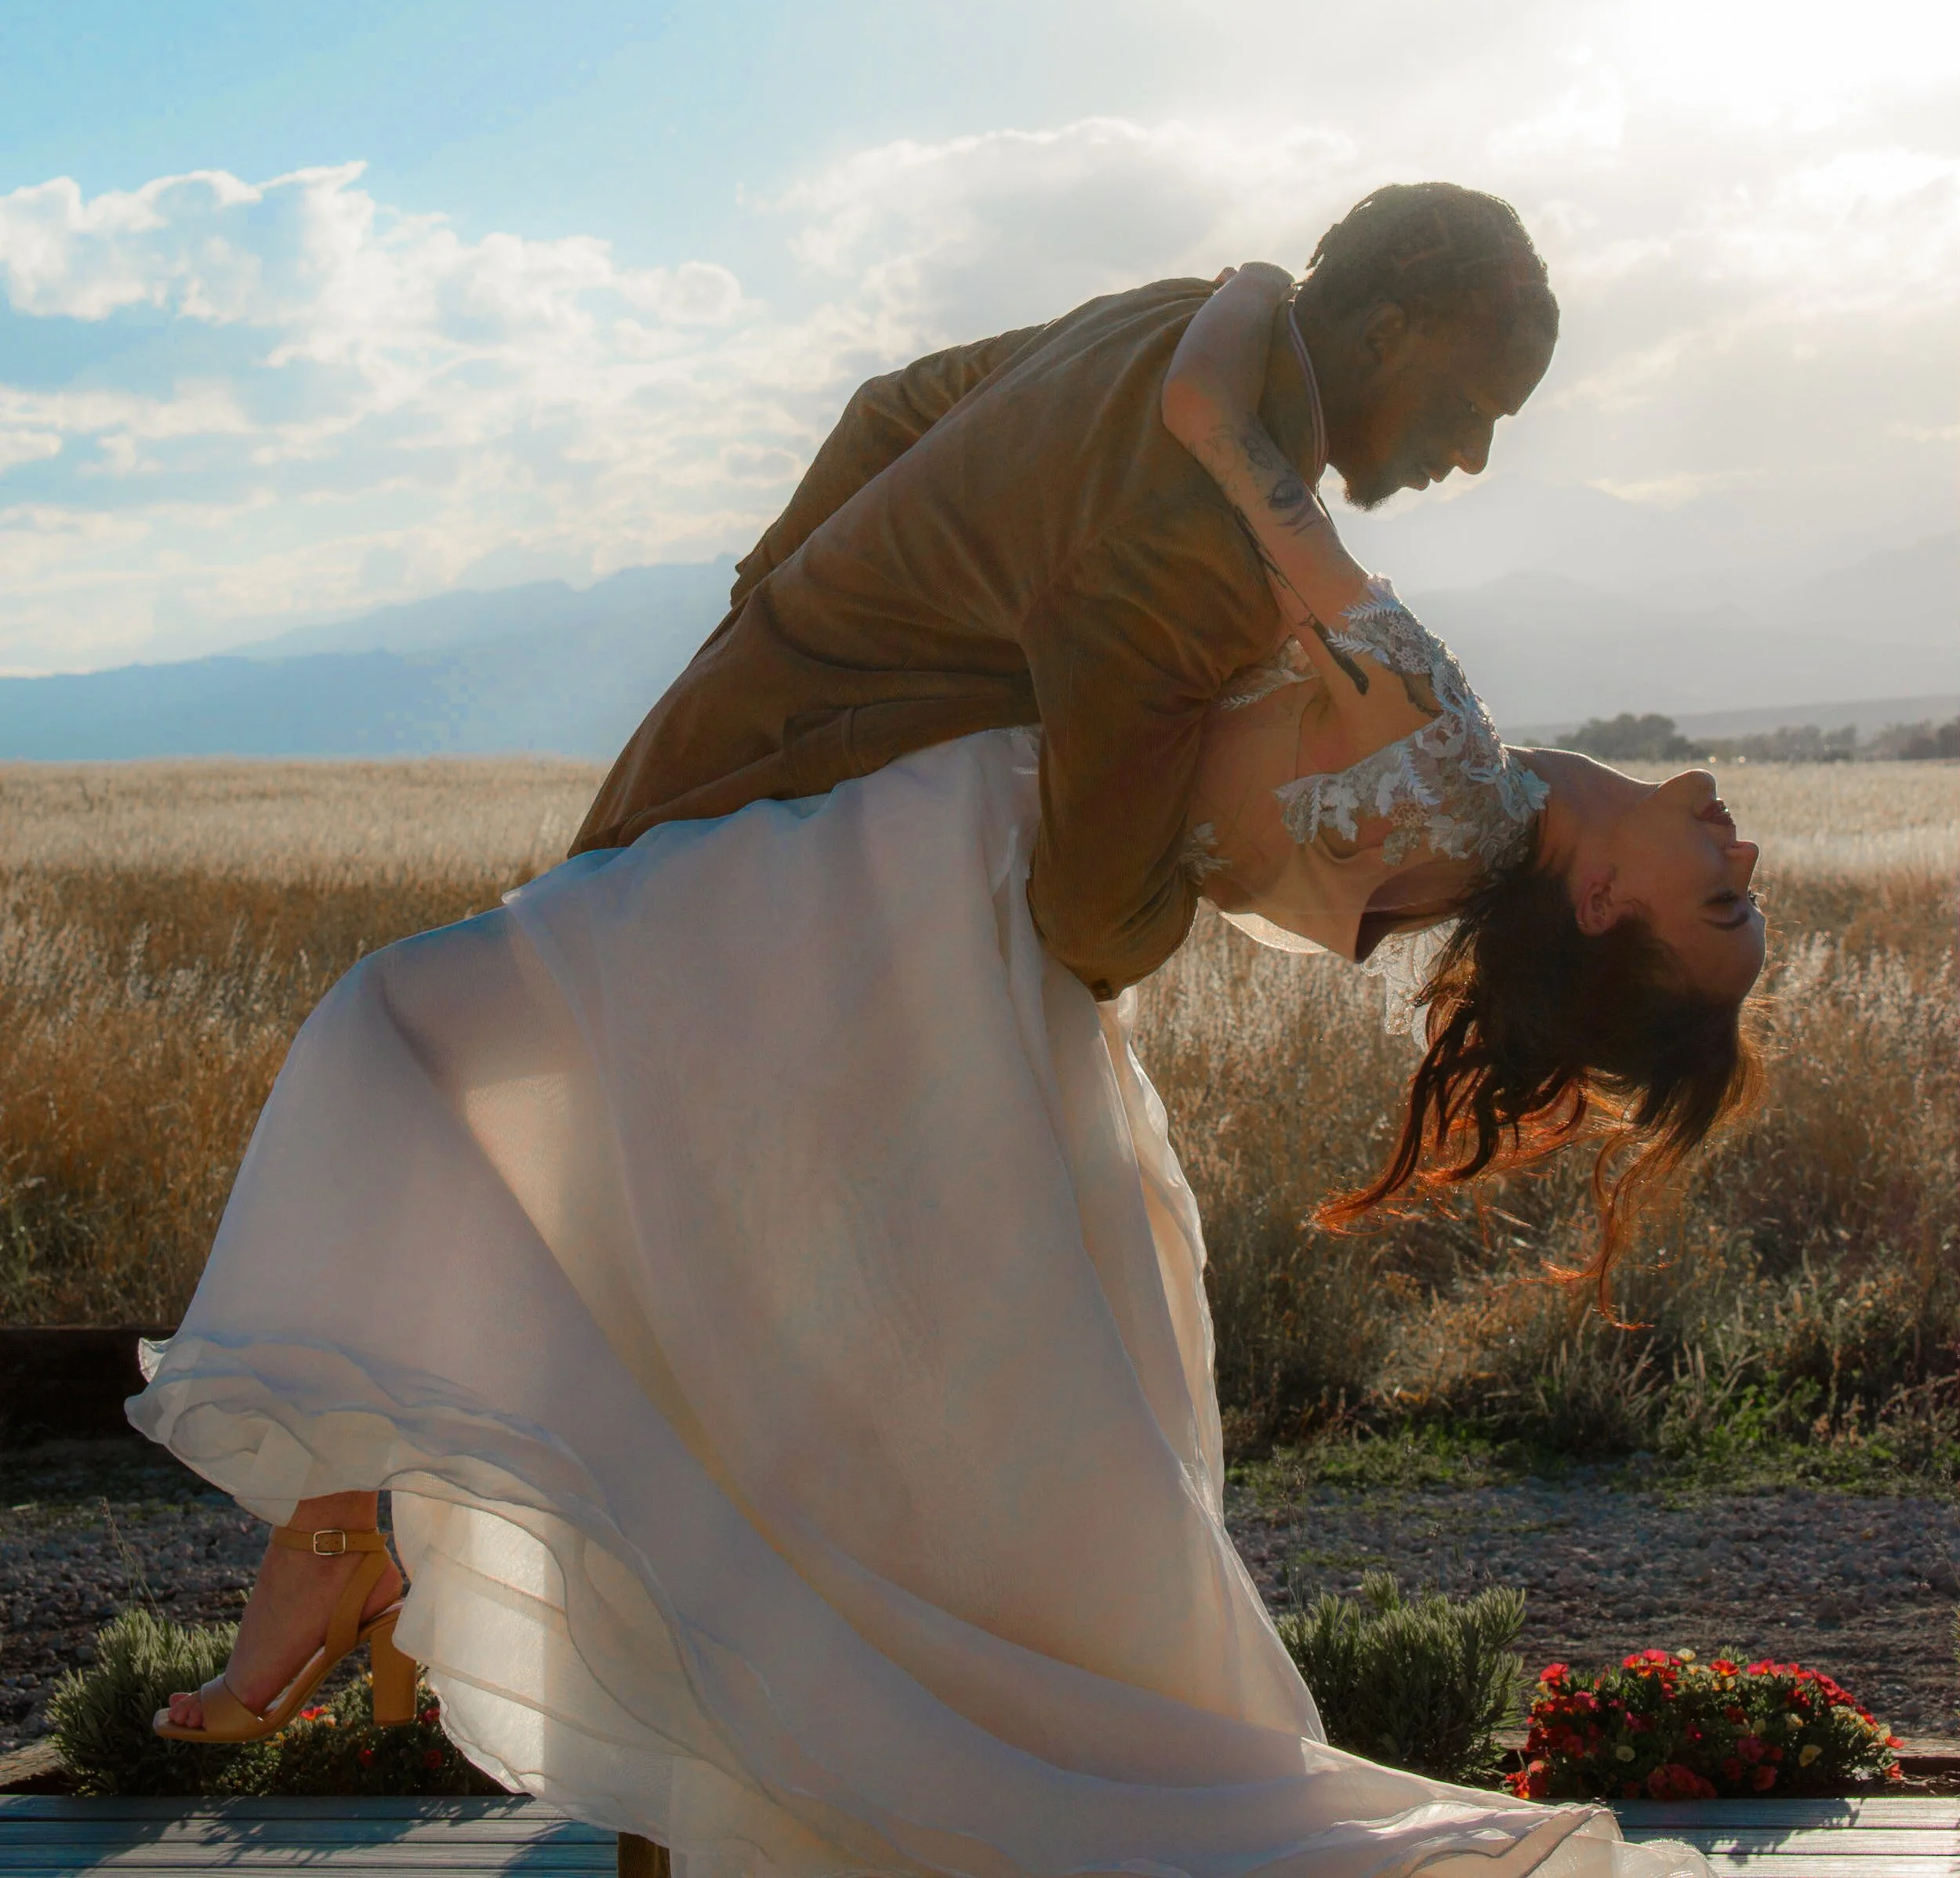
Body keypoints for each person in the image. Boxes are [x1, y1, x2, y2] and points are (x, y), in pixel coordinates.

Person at [132, 236, 1759, 1878]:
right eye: (1474, 398)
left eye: (1718, 903)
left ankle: (389, 1545)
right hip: (925, 911)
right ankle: (365, 1527)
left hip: (921, 923)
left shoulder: (1463, 782)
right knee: (824, 1409)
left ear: (1607, 902)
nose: (1743, 852)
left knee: (487, 1097)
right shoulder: (1466, 789)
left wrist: (1248, 301)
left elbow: (1120, 830)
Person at [572, 181, 1562, 993]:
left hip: (718, 729)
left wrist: (769, 605)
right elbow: (1092, 924)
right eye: (1472, 406)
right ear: (1385, 334)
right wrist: (1207, 873)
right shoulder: (1203, 537)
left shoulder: (1179, 317)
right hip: (765, 864)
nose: (1473, 454)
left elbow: (888, 408)